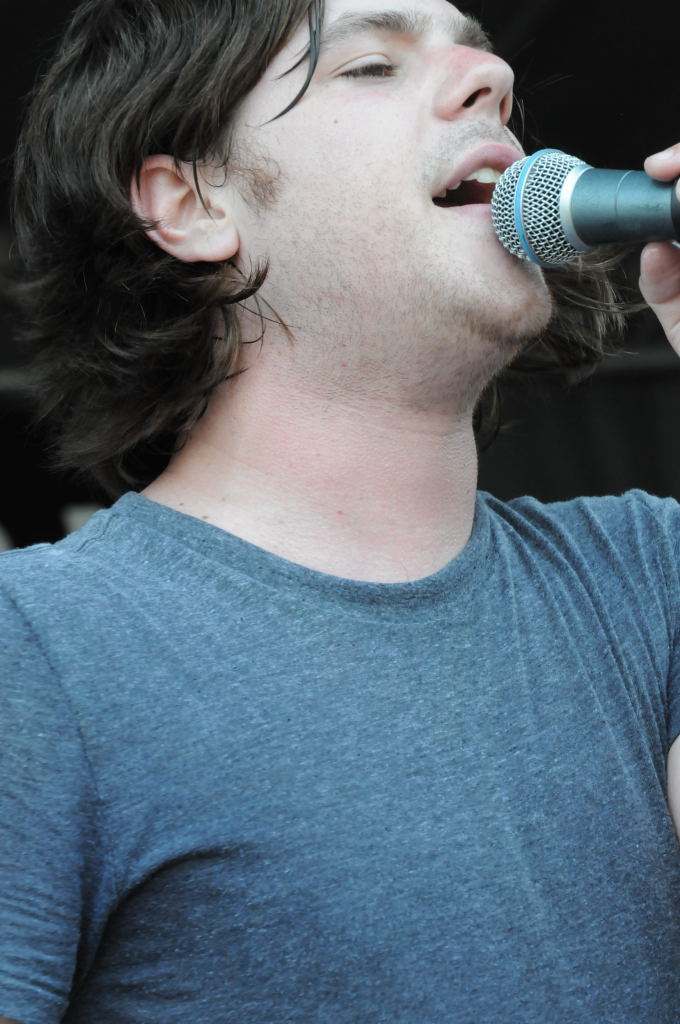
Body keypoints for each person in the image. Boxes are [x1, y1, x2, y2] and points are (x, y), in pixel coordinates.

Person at [2, 0, 680, 1020]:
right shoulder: (36, 652)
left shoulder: (650, 576)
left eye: (479, 58)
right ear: (189, 204)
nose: (491, 81)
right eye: (372, 66)